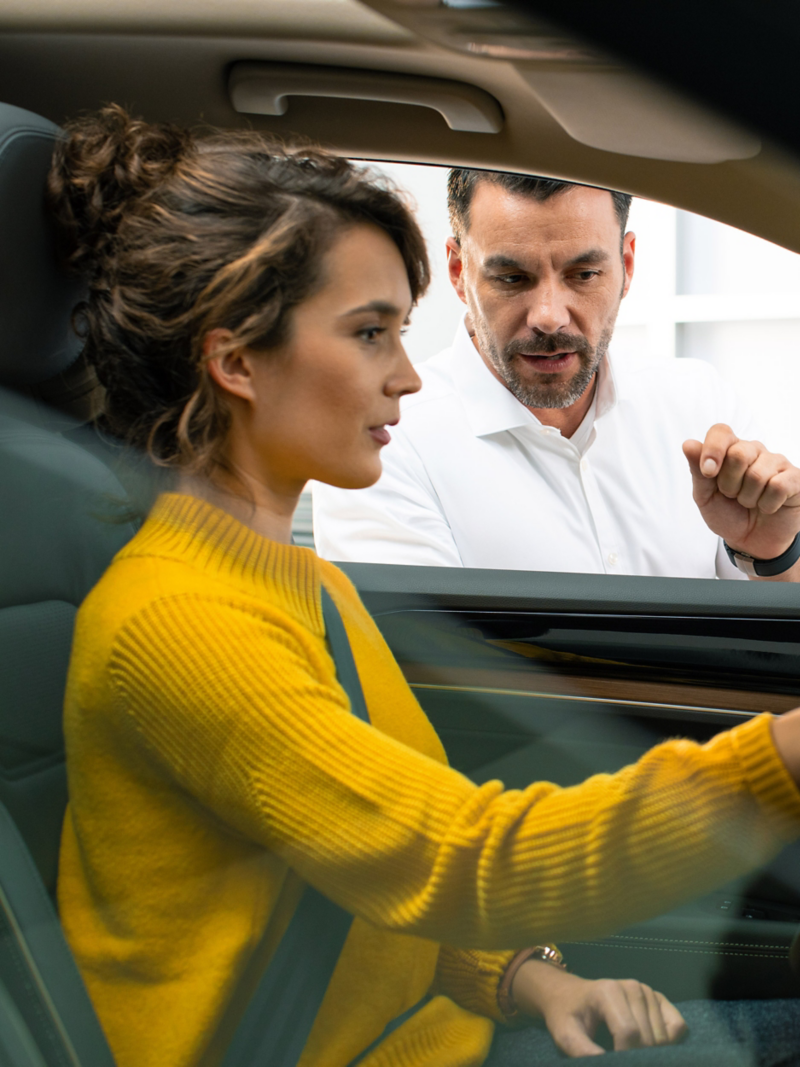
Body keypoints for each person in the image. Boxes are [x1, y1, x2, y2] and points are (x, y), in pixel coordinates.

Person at [51, 107, 800, 1067]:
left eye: (401, 332)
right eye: (370, 334)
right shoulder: (178, 623)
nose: (409, 376)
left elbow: (371, 857)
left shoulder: (305, 586)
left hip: (445, 1029)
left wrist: (525, 977)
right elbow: (462, 858)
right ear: (236, 360)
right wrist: (780, 756)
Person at [312, 170, 800, 582]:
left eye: (584, 274)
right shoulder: (382, 446)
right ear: (459, 271)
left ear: (627, 266)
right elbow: (419, 678)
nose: (549, 316)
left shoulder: (698, 401)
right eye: (512, 278)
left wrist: (774, 553)